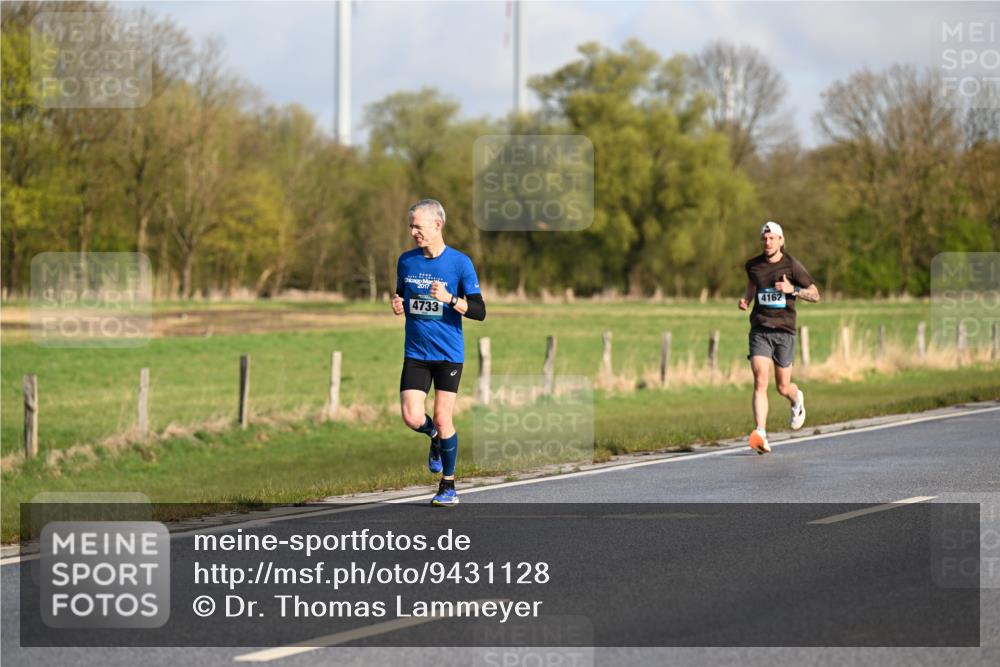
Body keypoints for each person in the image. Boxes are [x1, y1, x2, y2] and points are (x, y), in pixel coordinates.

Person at [392, 199, 486, 505]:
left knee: (444, 418)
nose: (413, 232)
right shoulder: (406, 261)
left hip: (448, 354)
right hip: (416, 351)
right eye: (411, 227)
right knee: (411, 416)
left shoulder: (460, 263)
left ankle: (449, 486)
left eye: (418, 226)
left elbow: (479, 311)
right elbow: (402, 297)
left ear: (437, 225)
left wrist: (449, 298)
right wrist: (397, 305)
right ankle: (434, 438)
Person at [738, 221, 820, 454]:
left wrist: (792, 290)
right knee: (760, 380)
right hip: (760, 329)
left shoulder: (792, 265)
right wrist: (746, 300)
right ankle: (761, 433)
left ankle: (796, 399)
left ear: (781, 241)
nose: (767, 242)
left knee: (782, 387)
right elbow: (753, 285)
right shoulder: (753, 265)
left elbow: (815, 295)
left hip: (784, 331)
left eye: (772, 238)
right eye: (764, 239)